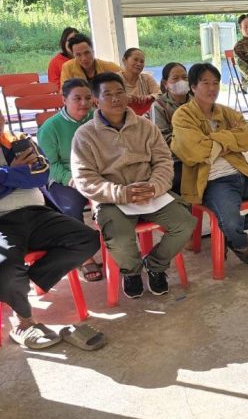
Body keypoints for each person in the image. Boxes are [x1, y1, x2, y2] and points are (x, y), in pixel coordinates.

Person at [0, 89, 100, 348]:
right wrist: (16, 175)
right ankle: (24, 322)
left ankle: (26, 281)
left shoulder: (20, 141)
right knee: (3, 266)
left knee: (87, 239)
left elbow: (40, 175)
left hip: (36, 215)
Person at [71, 72, 197, 299]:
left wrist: (155, 186)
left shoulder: (146, 126)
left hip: (150, 192)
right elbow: (85, 179)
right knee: (119, 238)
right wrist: (121, 193)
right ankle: (132, 272)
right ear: (96, 101)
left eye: (120, 92)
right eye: (108, 94)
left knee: (185, 223)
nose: (116, 99)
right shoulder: (85, 135)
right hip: (113, 198)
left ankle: (156, 265)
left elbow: (163, 161)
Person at [171, 63, 248, 264]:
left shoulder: (226, 112)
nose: (212, 88)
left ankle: (229, 232)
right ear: (193, 87)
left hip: (241, 173)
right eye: (205, 83)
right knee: (230, 220)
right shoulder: (183, 115)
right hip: (212, 181)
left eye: (215, 83)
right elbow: (195, 151)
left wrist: (214, 140)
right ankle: (240, 243)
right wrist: (230, 140)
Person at [36, 78, 103, 282]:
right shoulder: (50, 128)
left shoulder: (98, 118)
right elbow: (50, 165)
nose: (84, 103)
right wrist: (73, 179)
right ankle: (85, 256)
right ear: (64, 100)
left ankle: (121, 246)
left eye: (87, 98)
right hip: (64, 177)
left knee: (116, 197)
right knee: (71, 206)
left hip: (96, 172)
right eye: (77, 98)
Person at [150, 62, 190, 193]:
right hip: (174, 159)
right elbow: (162, 139)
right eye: (175, 78)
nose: (181, 81)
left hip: (200, 154)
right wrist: (192, 144)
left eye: (185, 77)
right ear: (165, 83)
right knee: (180, 182)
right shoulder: (159, 106)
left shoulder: (196, 101)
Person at [120, 47, 160, 115]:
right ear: (124, 60)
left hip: (146, 118)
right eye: (135, 60)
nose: (139, 64)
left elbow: (160, 94)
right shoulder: (114, 79)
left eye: (142, 62)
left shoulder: (147, 78)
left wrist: (150, 97)